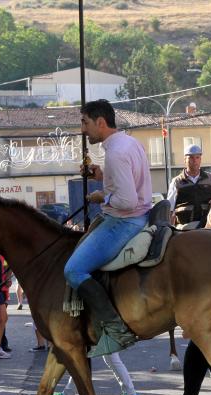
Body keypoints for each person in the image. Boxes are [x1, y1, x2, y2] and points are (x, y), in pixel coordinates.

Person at [63, 99, 152, 357]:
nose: (83, 129)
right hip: (138, 215)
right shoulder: (129, 143)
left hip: (124, 221)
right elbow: (127, 180)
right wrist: (99, 174)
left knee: (73, 269)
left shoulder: (115, 153)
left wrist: (101, 197)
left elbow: (126, 201)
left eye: (85, 122)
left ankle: (115, 330)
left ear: (100, 122)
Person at [167, 144, 211, 228]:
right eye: (191, 158)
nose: (195, 161)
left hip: (209, 226)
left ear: (200, 160)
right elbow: (170, 209)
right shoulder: (177, 182)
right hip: (184, 228)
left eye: (197, 157)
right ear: (185, 160)